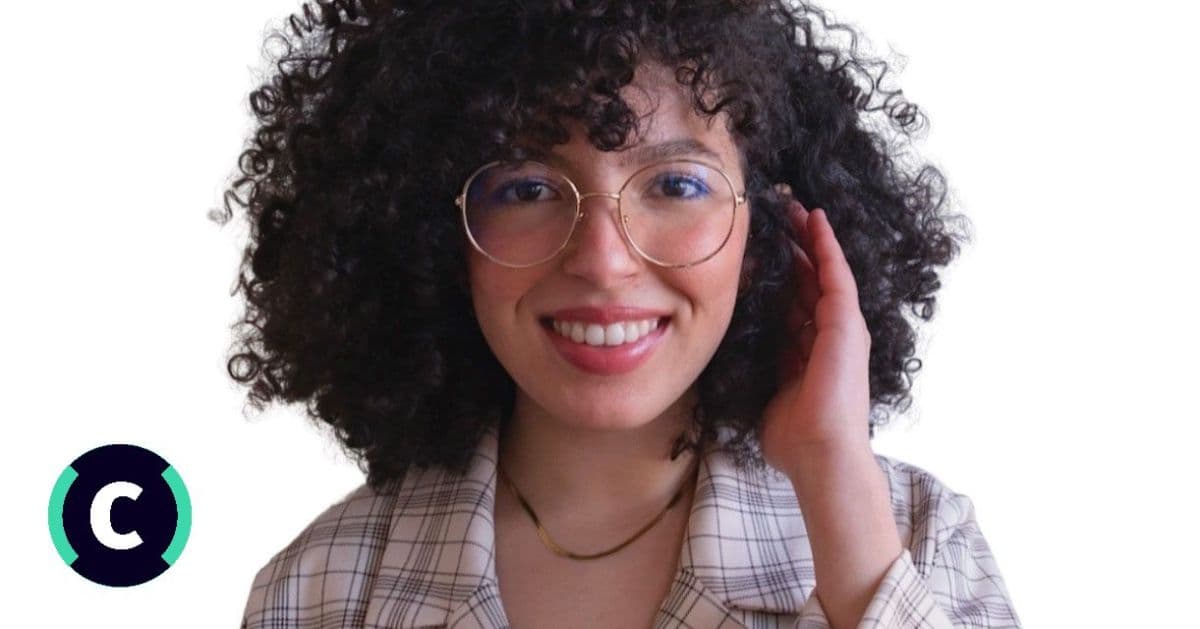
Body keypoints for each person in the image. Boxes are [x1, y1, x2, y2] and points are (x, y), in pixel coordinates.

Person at [219, 1, 1021, 627]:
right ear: (438, 233)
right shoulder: (320, 590)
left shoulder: (916, 542)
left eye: (676, 184)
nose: (603, 260)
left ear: (769, 232)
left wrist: (838, 496)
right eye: (528, 188)